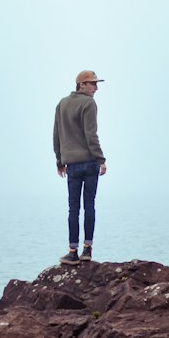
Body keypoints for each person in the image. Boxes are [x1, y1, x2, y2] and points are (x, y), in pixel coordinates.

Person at [53, 69, 107, 264]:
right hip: (89, 163)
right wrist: (101, 159)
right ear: (81, 85)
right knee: (89, 205)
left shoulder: (62, 104)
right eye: (92, 83)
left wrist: (59, 161)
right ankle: (87, 250)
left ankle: (72, 251)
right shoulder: (88, 103)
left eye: (96, 83)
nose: (96, 88)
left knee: (73, 209)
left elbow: (56, 135)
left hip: (72, 166)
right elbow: (91, 135)